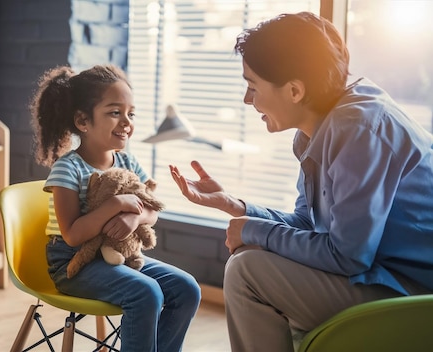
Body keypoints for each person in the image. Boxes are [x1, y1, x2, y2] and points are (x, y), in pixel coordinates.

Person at [169, 11, 433, 352]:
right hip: (381, 277)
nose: (247, 100)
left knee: (248, 270)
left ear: (294, 90)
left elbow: (348, 256)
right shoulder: (315, 133)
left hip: (414, 295)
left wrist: (253, 230)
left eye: (252, 87)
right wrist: (236, 207)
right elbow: (309, 225)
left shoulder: (358, 130)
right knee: (250, 257)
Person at [30, 64, 201, 352]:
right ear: (83, 121)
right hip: (73, 264)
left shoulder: (128, 163)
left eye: (130, 113)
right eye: (114, 112)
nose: (126, 122)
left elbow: (152, 211)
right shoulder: (67, 169)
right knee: (145, 293)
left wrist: (136, 219)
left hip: (122, 255)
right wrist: (116, 204)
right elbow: (72, 235)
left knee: (186, 289)